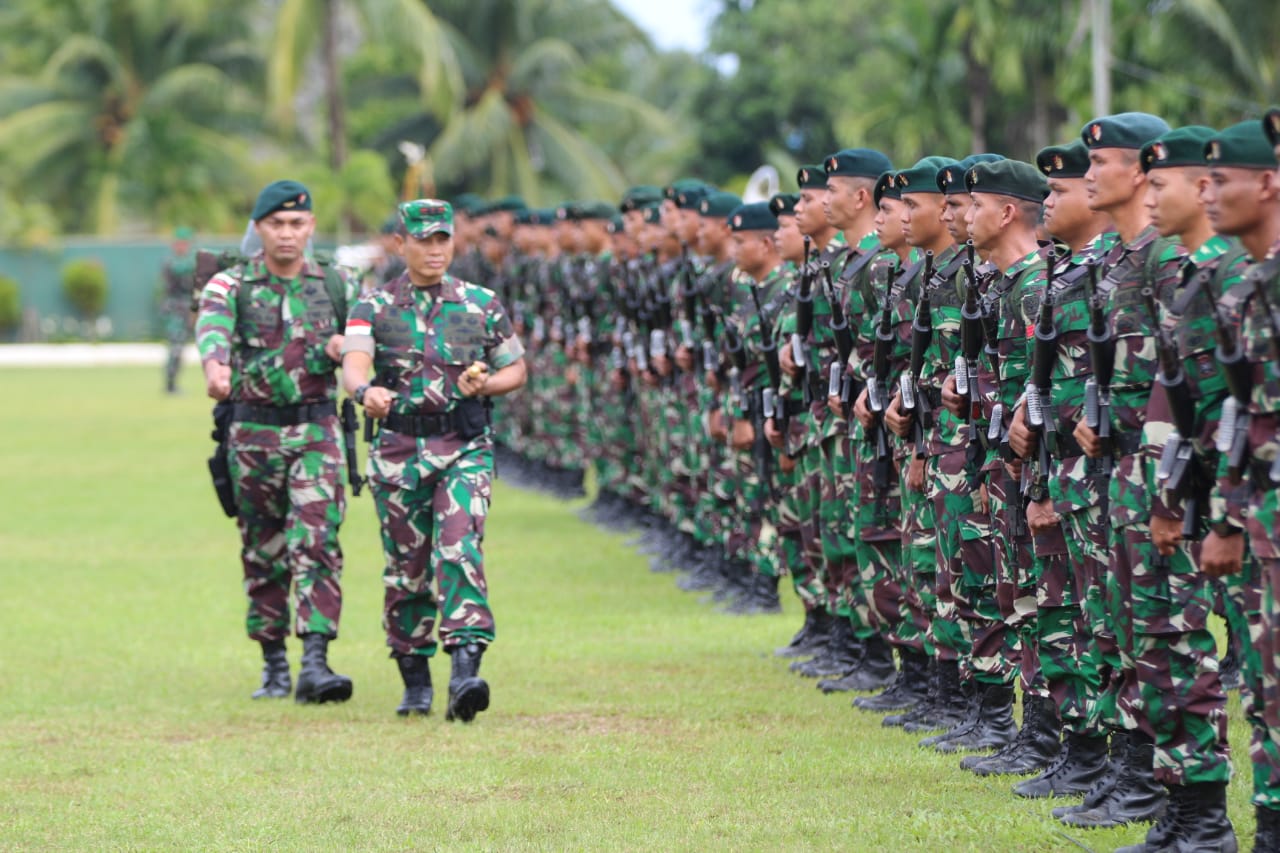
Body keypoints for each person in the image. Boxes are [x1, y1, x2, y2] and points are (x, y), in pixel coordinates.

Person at [341, 199, 527, 721]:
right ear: (402, 244)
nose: (434, 249)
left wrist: (486, 382)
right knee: (408, 569)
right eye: (423, 240)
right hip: (398, 452)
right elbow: (354, 364)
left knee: (459, 546)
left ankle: (466, 670)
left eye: (442, 239)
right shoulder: (372, 306)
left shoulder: (481, 303)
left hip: (463, 447)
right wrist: (365, 392)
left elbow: (515, 369)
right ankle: (415, 677)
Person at [195, 180, 356, 704]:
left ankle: (315, 661)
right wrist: (215, 366)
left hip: (316, 433)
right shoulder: (230, 284)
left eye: (297, 224)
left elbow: (367, 343)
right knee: (263, 551)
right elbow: (212, 329)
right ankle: (273, 664)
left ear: (310, 226)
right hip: (252, 437)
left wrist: (347, 352)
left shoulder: (340, 283)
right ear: (258, 228)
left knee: (318, 543)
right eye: (276, 224)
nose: (287, 234)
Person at [160, 226, 197, 394]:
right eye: (179, 243)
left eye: (185, 243)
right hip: (175, 310)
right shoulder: (171, 263)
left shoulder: (191, 263)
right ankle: (170, 384)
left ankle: (173, 384)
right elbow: (177, 273)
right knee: (175, 348)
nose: (182, 247)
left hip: (188, 310)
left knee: (181, 349)